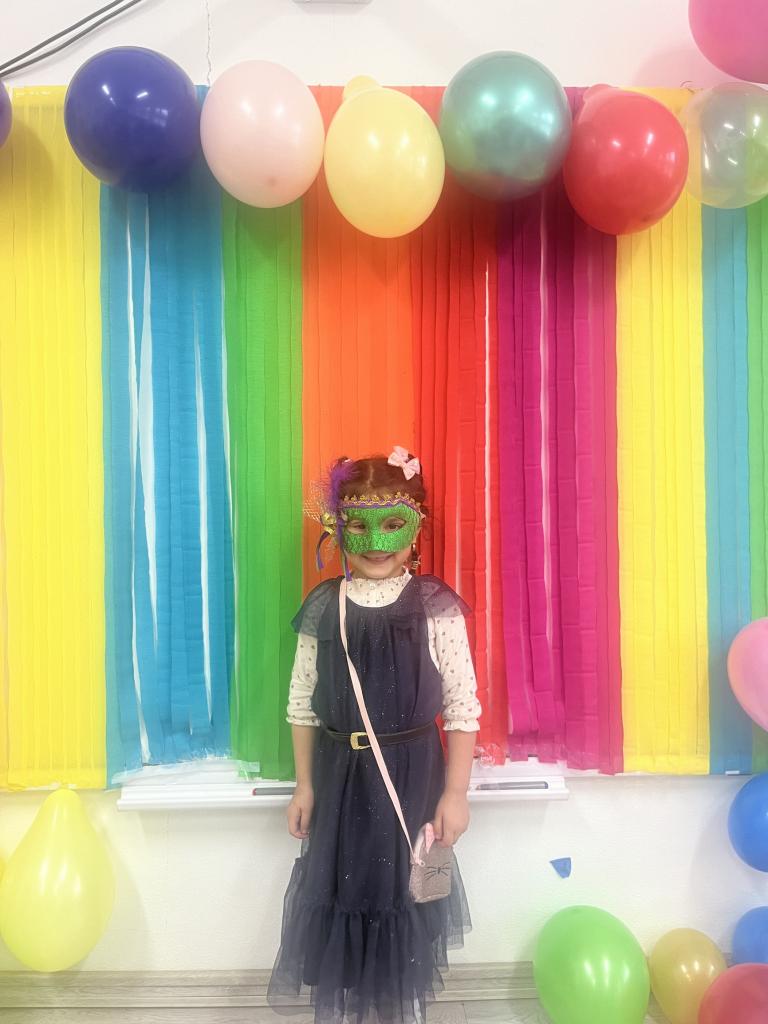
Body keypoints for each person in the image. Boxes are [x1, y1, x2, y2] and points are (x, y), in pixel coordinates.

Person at [267, 447, 481, 1024]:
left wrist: (455, 794)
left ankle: (391, 1012)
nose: (376, 541)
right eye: (358, 527)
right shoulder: (323, 606)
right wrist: (304, 786)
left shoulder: (435, 607)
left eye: (392, 524)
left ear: (417, 527)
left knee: (401, 895)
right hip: (340, 781)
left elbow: (462, 707)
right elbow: (302, 703)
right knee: (345, 892)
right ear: (338, 529)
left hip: (412, 780)